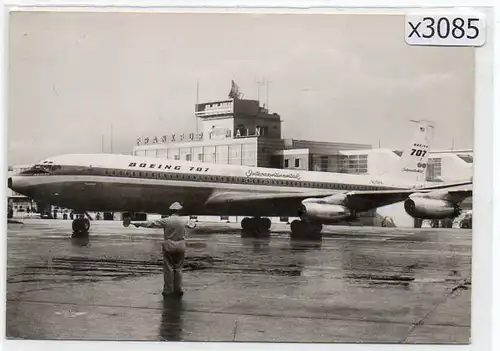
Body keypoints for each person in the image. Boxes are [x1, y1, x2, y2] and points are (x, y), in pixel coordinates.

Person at [129, 202, 195, 298]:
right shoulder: (183, 221)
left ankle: (168, 290)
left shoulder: (166, 221)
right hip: (181, 246)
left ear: (170, 211)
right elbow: (193, 225)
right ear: (179, 210)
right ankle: (178, 289)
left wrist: (138, 224)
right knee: (178, 269)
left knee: (169, 269)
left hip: (169, 245)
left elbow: (151, 223)